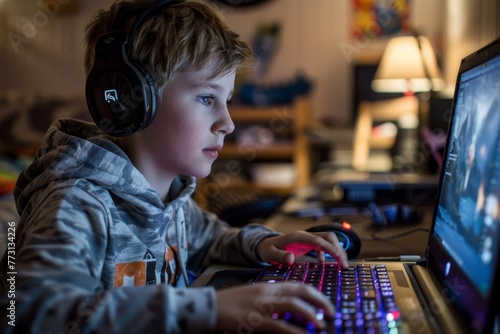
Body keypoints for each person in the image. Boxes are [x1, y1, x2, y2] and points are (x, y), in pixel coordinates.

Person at [0, 1, 348, 333]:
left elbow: (212, 239)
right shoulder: (76, 205)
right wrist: (205, 310)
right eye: (206, 98)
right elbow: (34, 310)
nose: (227, 123)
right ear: (129, 100)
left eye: (225, 101)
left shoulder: (170, 196)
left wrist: (262, 244)